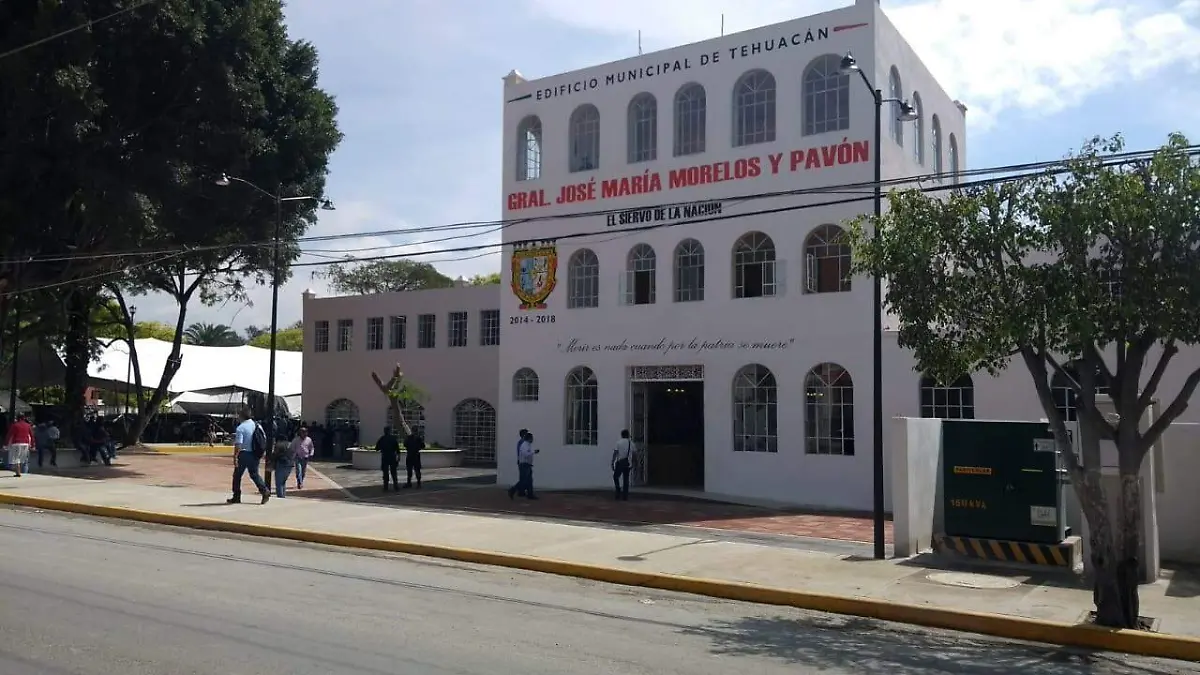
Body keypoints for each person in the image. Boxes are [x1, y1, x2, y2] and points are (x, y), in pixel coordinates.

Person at [228, 408, 269, 504]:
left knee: (237, 476)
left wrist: (235, 457)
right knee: (254, 474)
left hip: (244, 454)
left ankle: (236, 496)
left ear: (242, 416)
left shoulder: (241, 428)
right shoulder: (257, 425)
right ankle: (264, 491)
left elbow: (238, 444)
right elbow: (264, 438)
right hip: (255, 454)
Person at [507, 430, 539, 500]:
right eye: (532, 438)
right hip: (524, 464)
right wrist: (534, 452)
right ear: (529, 438)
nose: (533, 439)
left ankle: (529, 494)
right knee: (524, 480)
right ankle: (513, 490)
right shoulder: (524, 445)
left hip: (527, 464)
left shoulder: (528, 445)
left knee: (529, 480)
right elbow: (525, 454)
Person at [4, 413, 33, 477]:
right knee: (24, 459)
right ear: (24, 418)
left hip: (16, 443)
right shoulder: (28, 425)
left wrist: (5, 444)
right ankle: (23, 472)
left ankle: (18, 473)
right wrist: (33, 445)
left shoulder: (15, 425)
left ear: (17, 418)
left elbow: (9, 435)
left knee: (16, 458)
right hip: (26, 443)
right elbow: (32, 435)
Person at [611, 429, 636, 501]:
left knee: (616, 477)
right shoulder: (631, 443)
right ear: (628, 435)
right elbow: (634, 455)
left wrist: (612, 462)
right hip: (628, 463)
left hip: (620, 462)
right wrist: (635, 463)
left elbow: (615, 453)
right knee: (626, 479)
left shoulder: (619, 443)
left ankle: (618, 490)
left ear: (622, 435)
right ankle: (625, 496)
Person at [376, 426, 401, 491]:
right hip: (392, 456)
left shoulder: (382, 439)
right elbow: (398, 450)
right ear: (390, 431)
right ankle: (396, 486)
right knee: (394, 472)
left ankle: (385, 486)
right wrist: (398, 458)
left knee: (385, 473)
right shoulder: (393, 438)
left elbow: (377, 448)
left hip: (385, 457)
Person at [272, 429, 295, 498]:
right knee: (283, 481)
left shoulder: (278, 444)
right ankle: (283, 495)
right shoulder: (290, 444)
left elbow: (275, 455)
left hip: (281, 464)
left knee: (279, 482)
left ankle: (280, 496)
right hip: (290, 464)